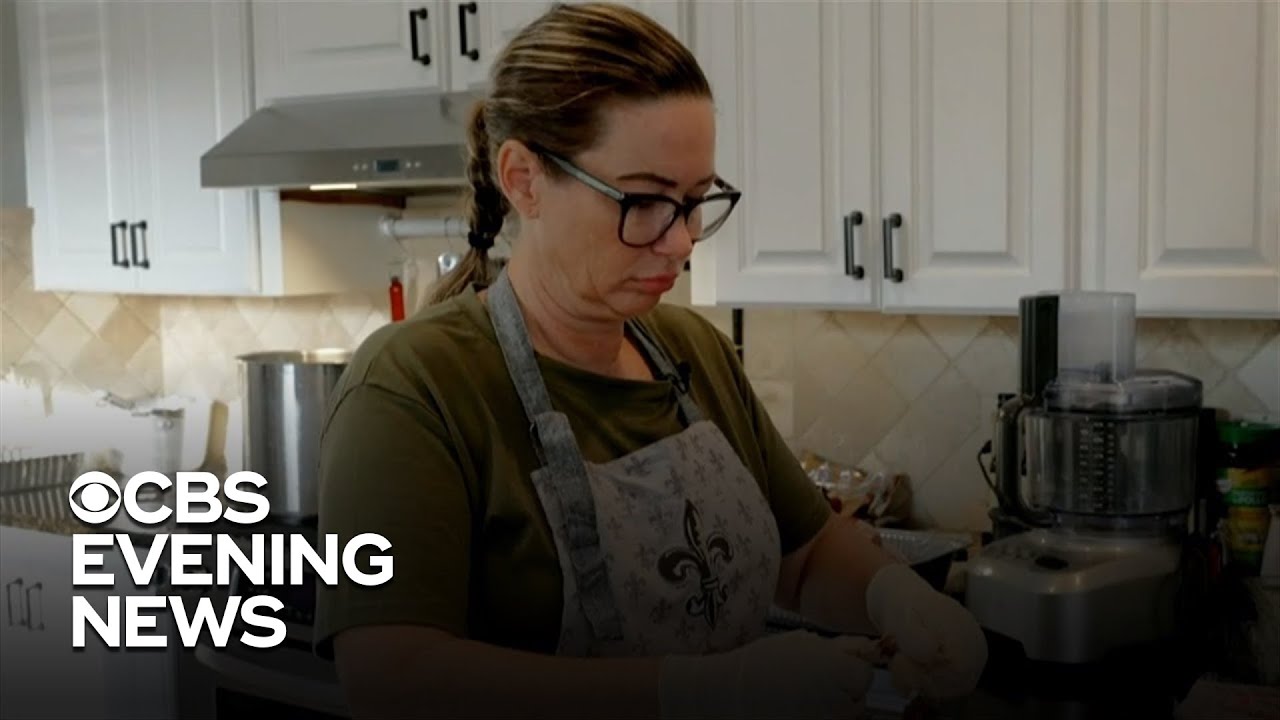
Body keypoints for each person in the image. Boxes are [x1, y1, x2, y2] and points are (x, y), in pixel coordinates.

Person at [313, 3, 987, 718]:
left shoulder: (692, 351)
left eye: (696, 201)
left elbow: (809, 552)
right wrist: (696, 692)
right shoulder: (416, 384)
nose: (682, 242)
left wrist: (895, 597)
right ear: (524, 178)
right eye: (644, 200)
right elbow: (390, 678)